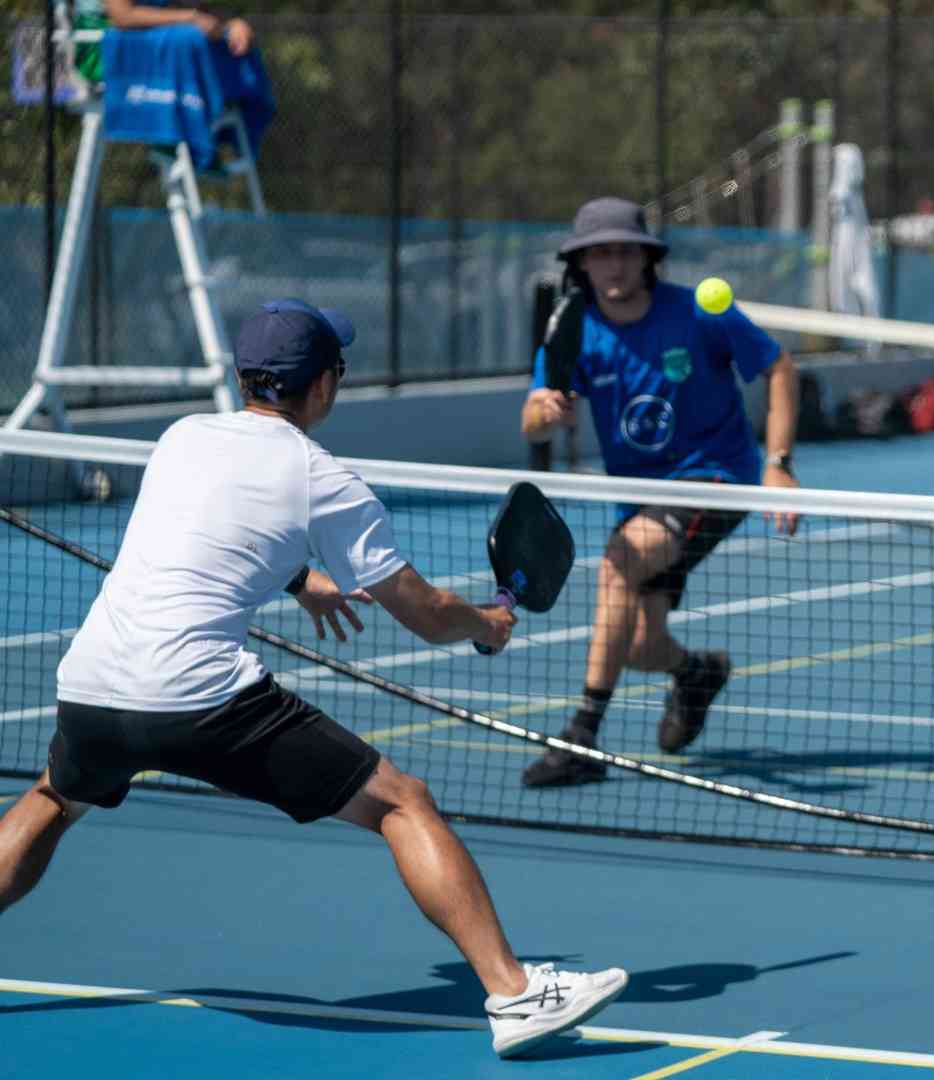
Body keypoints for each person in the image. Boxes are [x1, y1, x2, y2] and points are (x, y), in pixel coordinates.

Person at [0, 299, 627, 1059]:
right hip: (202, 697)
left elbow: (212, 522)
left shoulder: (181, 436)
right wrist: (484, 625)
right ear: (323, 386)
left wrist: (301, 580)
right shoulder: (322, 476)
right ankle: (514, 991)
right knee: (403, 803)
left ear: (243, 378)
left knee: (50, 799)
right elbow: (425, 612)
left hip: (93, 683)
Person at [519, 196, 800, 787]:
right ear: (582, 265)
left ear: (646, 259)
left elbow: (778, 367)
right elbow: (532, 419)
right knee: (642, 645)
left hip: (715, 478)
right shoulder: (573, 331)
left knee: (618, 560)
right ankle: (696, 673)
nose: (613, 265)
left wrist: (778, 464)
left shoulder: (700, 312)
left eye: (625, 251)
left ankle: (581, 737)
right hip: (642, 498)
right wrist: (545, 413)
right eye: (600, 254)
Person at [74, 1, 257, 84]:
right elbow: (123, 17)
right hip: (103, 52)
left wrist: (230, 25)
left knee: (237, 44)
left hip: (150, 42)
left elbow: (194, 11)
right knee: (188, 42)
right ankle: (173, 143)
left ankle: (211, 139)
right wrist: (190, 18)